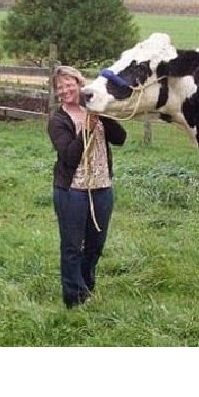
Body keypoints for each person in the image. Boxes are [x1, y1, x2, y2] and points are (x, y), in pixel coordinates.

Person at [47, 66, 127, 308]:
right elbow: (70, 157)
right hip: (72, 191)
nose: (65, 90)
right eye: (60, 87)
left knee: (95, 245)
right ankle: (74, 298)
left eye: (69, 84)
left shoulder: (94, 110)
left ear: (79, 84)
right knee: (72, 246)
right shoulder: (58, 121)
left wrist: (101, 113)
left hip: (102, 188)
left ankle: (86, 286)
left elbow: (120, 138)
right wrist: (86, 128)